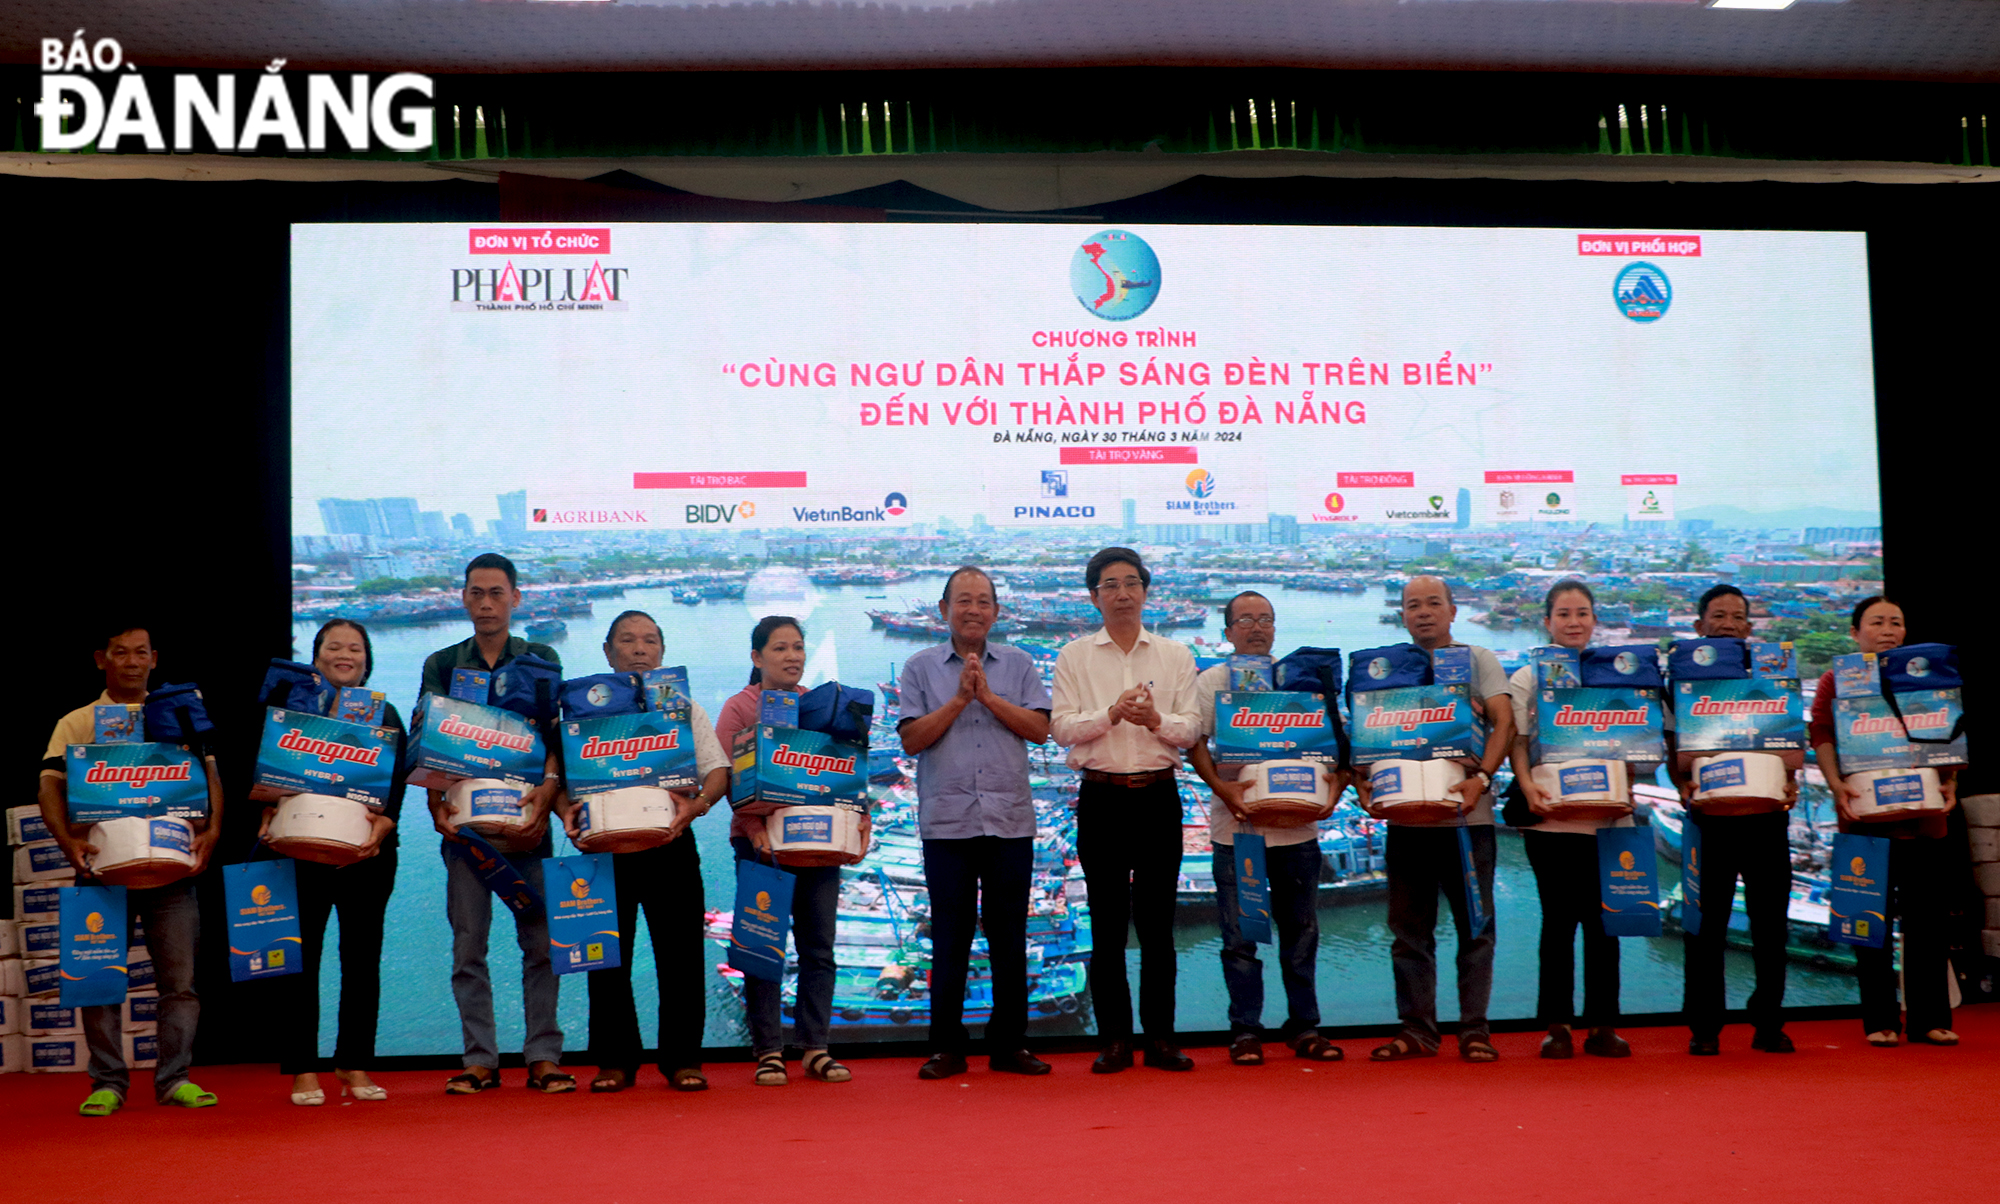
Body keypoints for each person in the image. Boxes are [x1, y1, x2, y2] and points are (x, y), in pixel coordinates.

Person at [36, 622, 224, 1115]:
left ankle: (174, 1079)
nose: (133, 661)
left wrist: (212, 833)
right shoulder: (78, 721)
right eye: (121, 653)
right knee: (97, 978)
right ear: (102, 659)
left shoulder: (181, 716)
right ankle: (107, 1082)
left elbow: (211, 776)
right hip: (101, 872)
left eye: (141, 652)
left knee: (180, 985)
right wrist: (68, 842)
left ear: (155, 658)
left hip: (171, 874)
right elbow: (48, 786)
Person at [556, 610, 731, 1093]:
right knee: (602, 956)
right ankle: (615, 1060)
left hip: (669, 843)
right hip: (599, 846)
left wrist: (696, 806)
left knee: (679, 955)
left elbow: (718, 770)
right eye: (628, 640)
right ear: (608, 652)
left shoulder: (683, 708)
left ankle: (683, 1060)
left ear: (662, 652)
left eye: (650, 640)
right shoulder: (580, 708)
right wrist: (560, 809)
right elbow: (555, 774)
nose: (639, 648)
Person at [418, 553, 573, 1093]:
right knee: (468, 949)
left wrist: (547, 796)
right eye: (477, 593)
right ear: (463, 597)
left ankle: (543, 1056)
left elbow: (559, 741)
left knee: (543, 946)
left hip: (529, 826)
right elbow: (430, 744)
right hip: (466, 833)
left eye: (497, 593)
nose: (486, 603)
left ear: (515, 598)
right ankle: (480, 1059)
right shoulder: (441, 663)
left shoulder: (540, 657)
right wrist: (438, 812)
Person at [897, 566, 1054, 1080]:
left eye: (983, 601)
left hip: (1009, 821)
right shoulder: (920, 668)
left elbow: (1039, 731)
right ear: (943, 610)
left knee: (1010, 938)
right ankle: (946, 1047)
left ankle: (1009, 1044)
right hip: (947, 824)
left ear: (996, 612)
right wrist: (962, 698)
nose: (973, 610)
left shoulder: (1020, 664)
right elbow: (912, 739)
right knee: (950, 937)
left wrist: (988, 697)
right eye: (963, 601)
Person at [1049, 547, 1201, 1074]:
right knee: (1107, 924)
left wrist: (1156, 719)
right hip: (1101, 798)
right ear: (1094, 597)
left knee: (1159, 927)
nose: (1122, 593)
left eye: (1131, 583)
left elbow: (1192, 730)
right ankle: (1115, 1040)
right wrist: (1111, 714)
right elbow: (1062, 728)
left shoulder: (1175, 655)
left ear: (1145, 591)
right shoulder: (1074, 657)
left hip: (1158, 797)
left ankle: (1161, 1040)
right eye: (1109, 585)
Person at [1356, 576, 1513, 1064]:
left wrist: (1483, 778)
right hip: (1406, 823)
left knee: (1476, 929)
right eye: (1412, 606)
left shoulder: (1477, 660)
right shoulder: (1386, 670)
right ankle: (1417, 1031)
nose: (1423, 612)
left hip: (1468, 820)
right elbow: (1365, 738)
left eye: (1433, 604)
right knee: (1408, 935)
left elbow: (1504, 723)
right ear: (1402, 615)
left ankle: (1475, 1031)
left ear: (1452, 611)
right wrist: (1363, 782)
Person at [1187, 590, 1347, 1066]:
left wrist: (1334, 790)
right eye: (1246, 620)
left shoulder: (1301, 680)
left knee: (1302, 934)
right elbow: (1193, 741)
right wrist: (1222, 787)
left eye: (1266, 620)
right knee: (1241, 938)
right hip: (1239, 833)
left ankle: (1305, 1027)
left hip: (1298, 833)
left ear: (1275, 628)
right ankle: (1245, 1031)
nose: (1257, 628)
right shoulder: (1212, 681)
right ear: (1227, 631)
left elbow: (1339, 745)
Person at [714, 615, 869, 1086]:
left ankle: (815, 1048)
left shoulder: (822, 707)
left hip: (818, 847)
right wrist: (754, 826)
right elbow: (731, 782)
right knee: (762, 950)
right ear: (757, 658)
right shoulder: (740, 709)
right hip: (760, 849)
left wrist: (861, 823)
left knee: (819, 950)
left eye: (798, 647)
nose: (793, 657)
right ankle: (768, 1050)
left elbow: (846, 774)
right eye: (780, 648)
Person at [261, 619, 406, 1105]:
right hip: (299, 853)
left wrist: (384, 827)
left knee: (362, 961)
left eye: (356, 649)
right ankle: (303, 1069)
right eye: (334, 646)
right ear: (315, 653)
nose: (345, 655)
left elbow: (396, 788)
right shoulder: (285, 709)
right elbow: (261, 775)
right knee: (299, 962)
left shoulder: (384, 714)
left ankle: (354, 1064)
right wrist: (267, 812)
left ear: (367, 660)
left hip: (366, 856)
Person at [1809, 595, 1959, 1047]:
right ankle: (1879, 1020)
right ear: (1855, 633)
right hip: (1862, 818)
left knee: (1928, 924)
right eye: (1877, 622)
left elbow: (1948, 732)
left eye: (1896, 622)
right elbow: (1821, 732)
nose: (1889, 629)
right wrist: (1836, 785)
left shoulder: (1926, 674)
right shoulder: (1837, 679)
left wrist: (1951, 781)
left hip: (1925, 819)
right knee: (1865, 923)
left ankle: (1929, 1019)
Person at [1503, 581, 1633, 1060]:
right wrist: (1528, 784)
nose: (1573, 622)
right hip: (1550, 820)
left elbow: (1636, 737)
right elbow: (1517, 740)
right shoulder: (1528, 679)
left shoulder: (1615, 673)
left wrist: (1630, 784)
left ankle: (1603, 1026)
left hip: (1607, 822)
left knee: (1606, 926)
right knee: (1558, 924)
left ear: (1595, 619)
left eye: (1582, 613)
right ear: (1548, 622)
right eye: (1563, 614)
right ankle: (1556, 1026)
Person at [1670, 583, 1796, 1056]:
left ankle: (1769, 1024)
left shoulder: (1772, 676)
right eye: (1717, 615)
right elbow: (1669, 748)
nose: (1727, 623)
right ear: (1699, 626)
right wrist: (1680, 779)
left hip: (1766, 820)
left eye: (1737, 616)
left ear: (1748, 627)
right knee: (1705, 927)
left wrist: (1789, 778)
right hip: (1710, 822)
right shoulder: (1682, 679)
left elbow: (1793, 749)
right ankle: (1705, 1028)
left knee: (1770, 927)